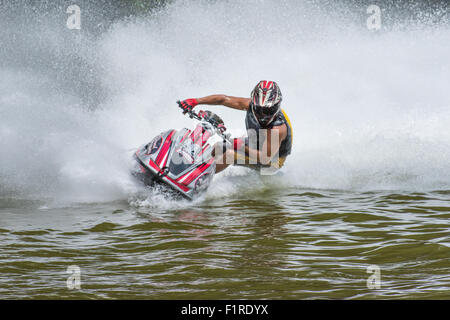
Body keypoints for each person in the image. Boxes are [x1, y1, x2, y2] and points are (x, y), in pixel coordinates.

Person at [178, 80, 292, 174]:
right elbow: (223, 100)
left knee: (230, 155)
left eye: (268, 110)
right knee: (218, 147)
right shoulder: (249, 105)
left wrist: (241, 146)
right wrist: (196, 101)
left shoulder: (277, 129)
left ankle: (200, 180)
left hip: (272, 160)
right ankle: (196, 172)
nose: (263, 114)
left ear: (277, 106)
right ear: (254, 103)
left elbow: (265, 157)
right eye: (259, 109)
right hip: (256, 144)